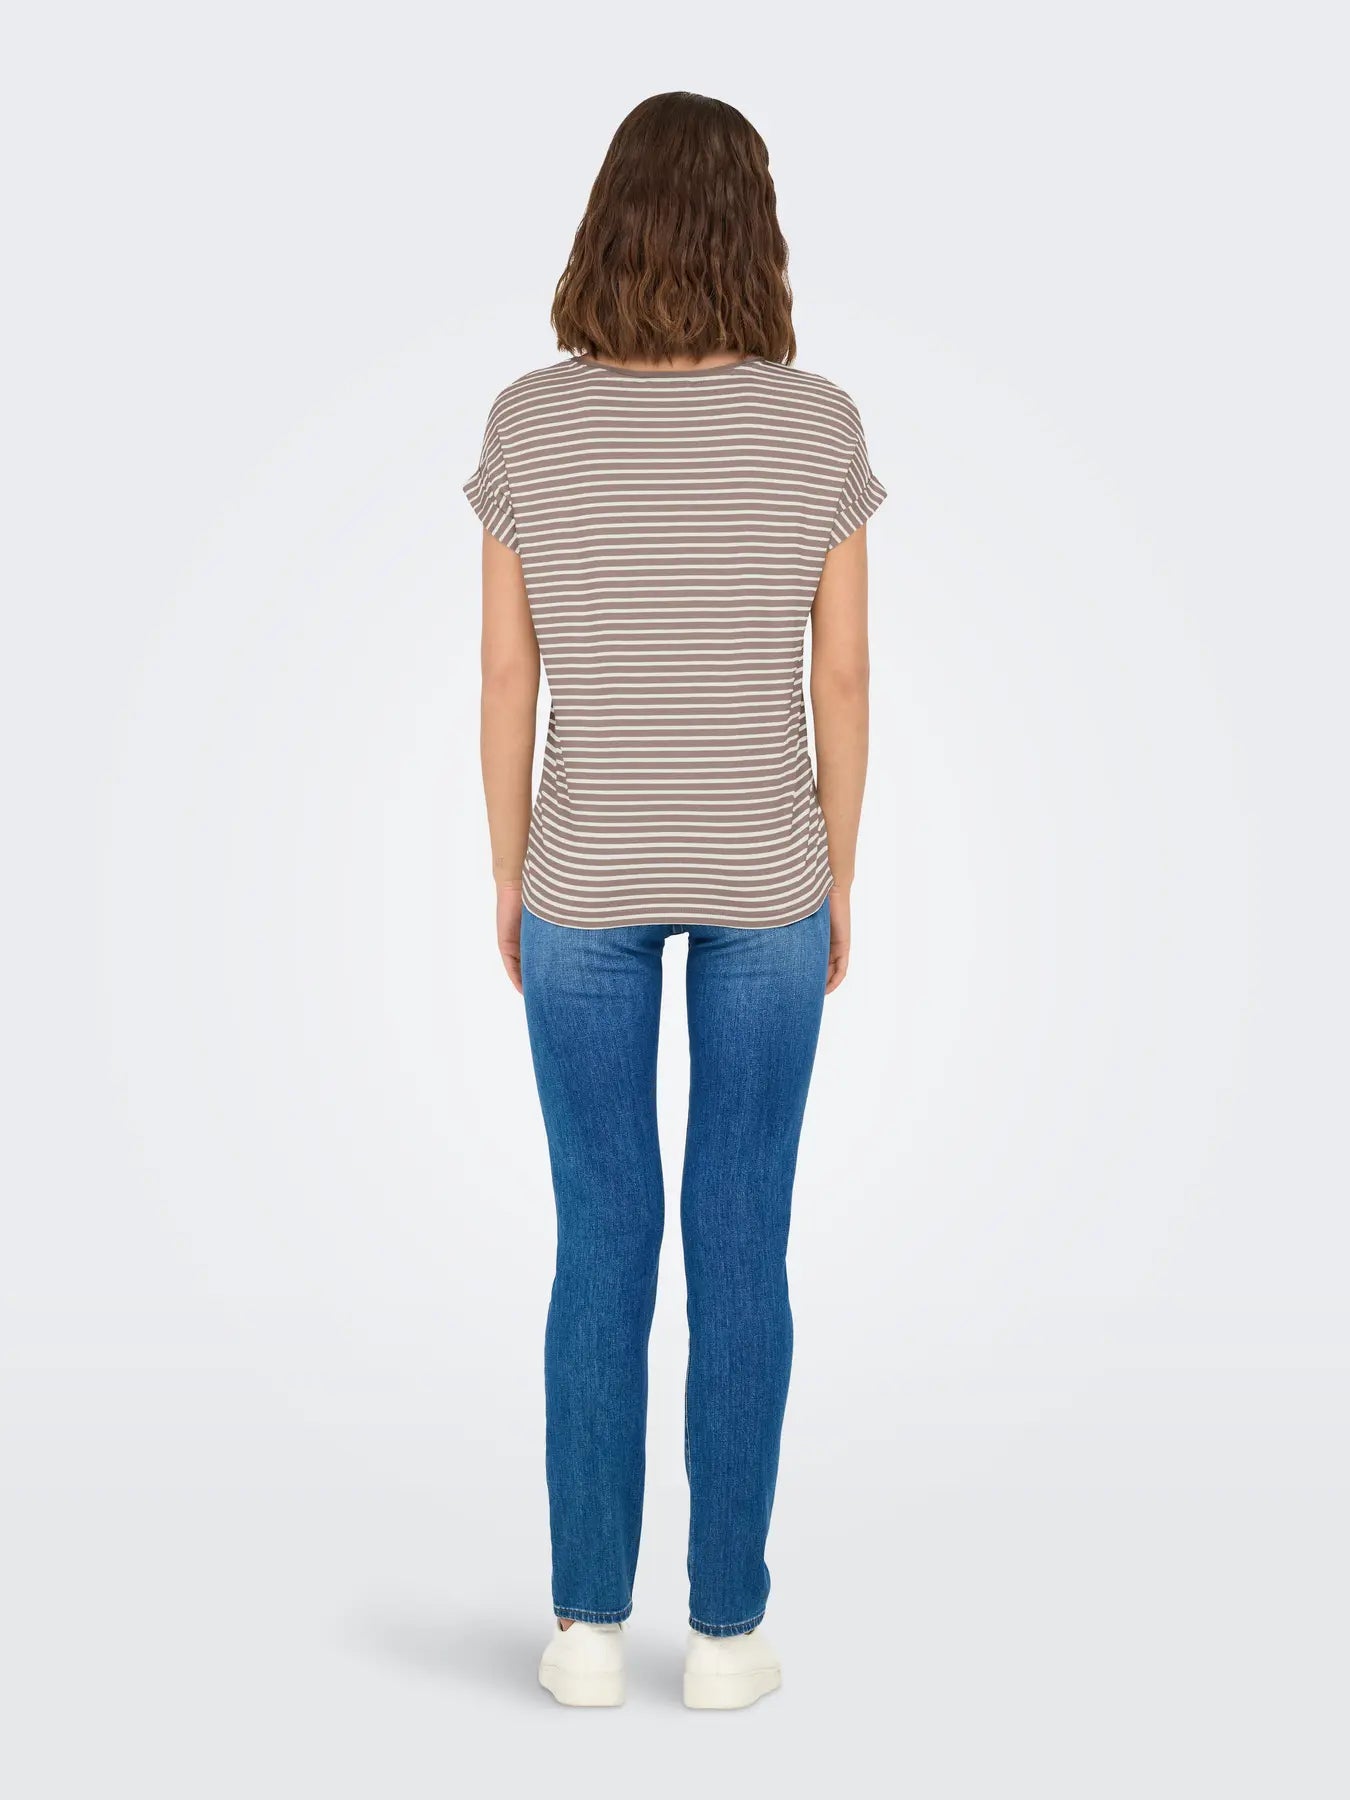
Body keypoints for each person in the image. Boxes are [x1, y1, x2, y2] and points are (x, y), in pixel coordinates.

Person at [464, 91, 885, 1709]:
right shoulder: (816, 424)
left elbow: (509, 675)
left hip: (583, 881)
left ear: (609, 223)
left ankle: (583, 1635)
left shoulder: (529, 422)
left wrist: (510, 871)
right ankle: (722, 1639)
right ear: (751, 232)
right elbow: (840, 677)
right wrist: (837, 870)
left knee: (601, 1243)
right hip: (766, 879)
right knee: (740, 1243)